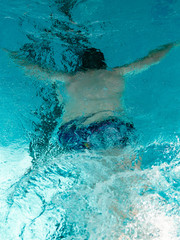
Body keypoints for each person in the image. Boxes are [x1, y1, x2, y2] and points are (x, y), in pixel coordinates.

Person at [6, 42, 179, 152]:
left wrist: (10, 54)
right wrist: (172, 44)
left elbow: (35, 71)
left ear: (81, 66)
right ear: (103, 64)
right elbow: (151, 59)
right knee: (125, 165)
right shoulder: (118, 74)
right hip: (115, 130)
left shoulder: (70, 79)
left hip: (78, 134)